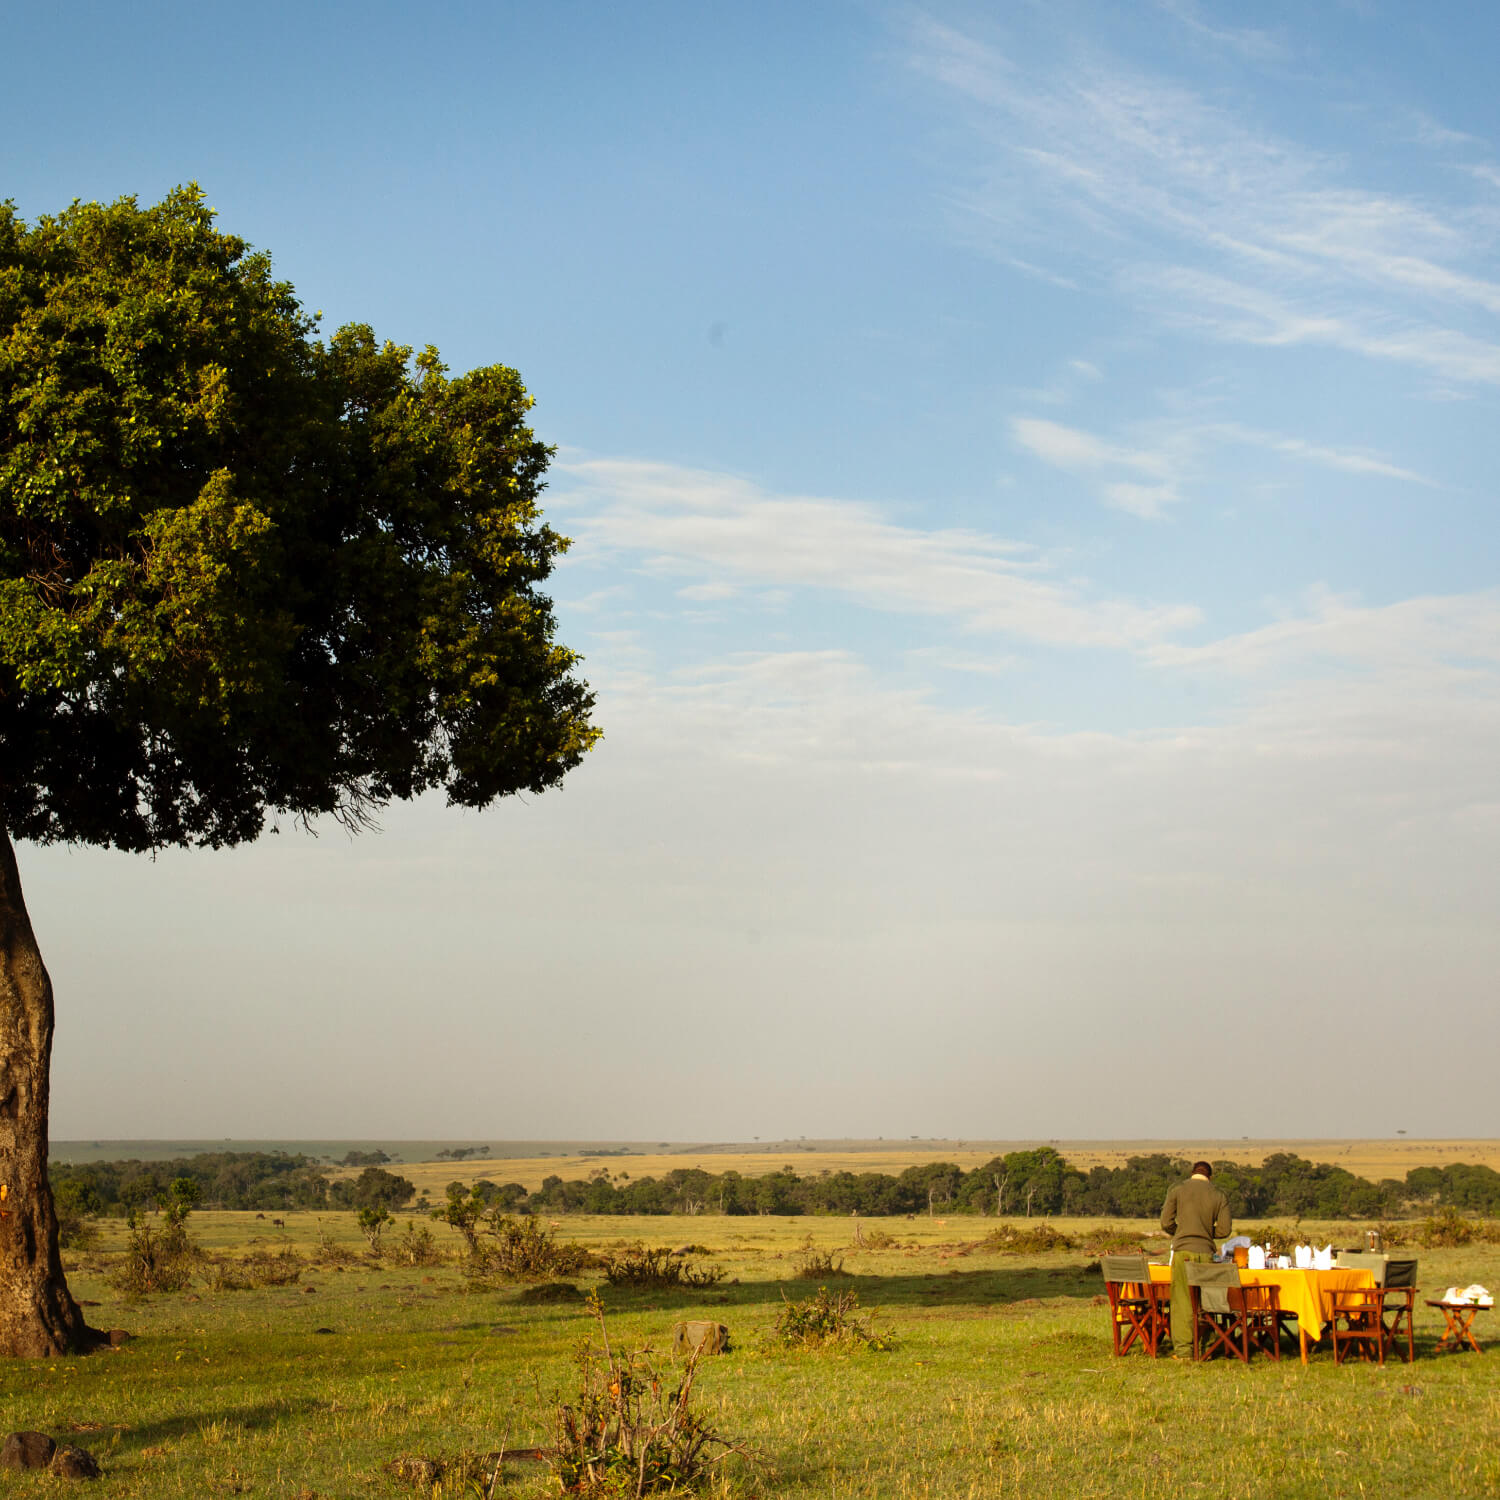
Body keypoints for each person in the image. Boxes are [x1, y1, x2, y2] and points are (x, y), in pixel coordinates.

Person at [1160, 1160, 1232, 1357]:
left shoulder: (1177, 1189)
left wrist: (1181, 1232)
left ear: (1192, 1173)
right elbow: (1225, 1229)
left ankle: (1184, 1352)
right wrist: (1206, 1232)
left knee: (1182, 1302)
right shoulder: (1218, 1194)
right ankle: (1207, 1346)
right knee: (1205, 1303)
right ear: (1210, 1176)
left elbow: (1165, 1222)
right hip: (1207, 1254)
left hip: (1183, 1252)